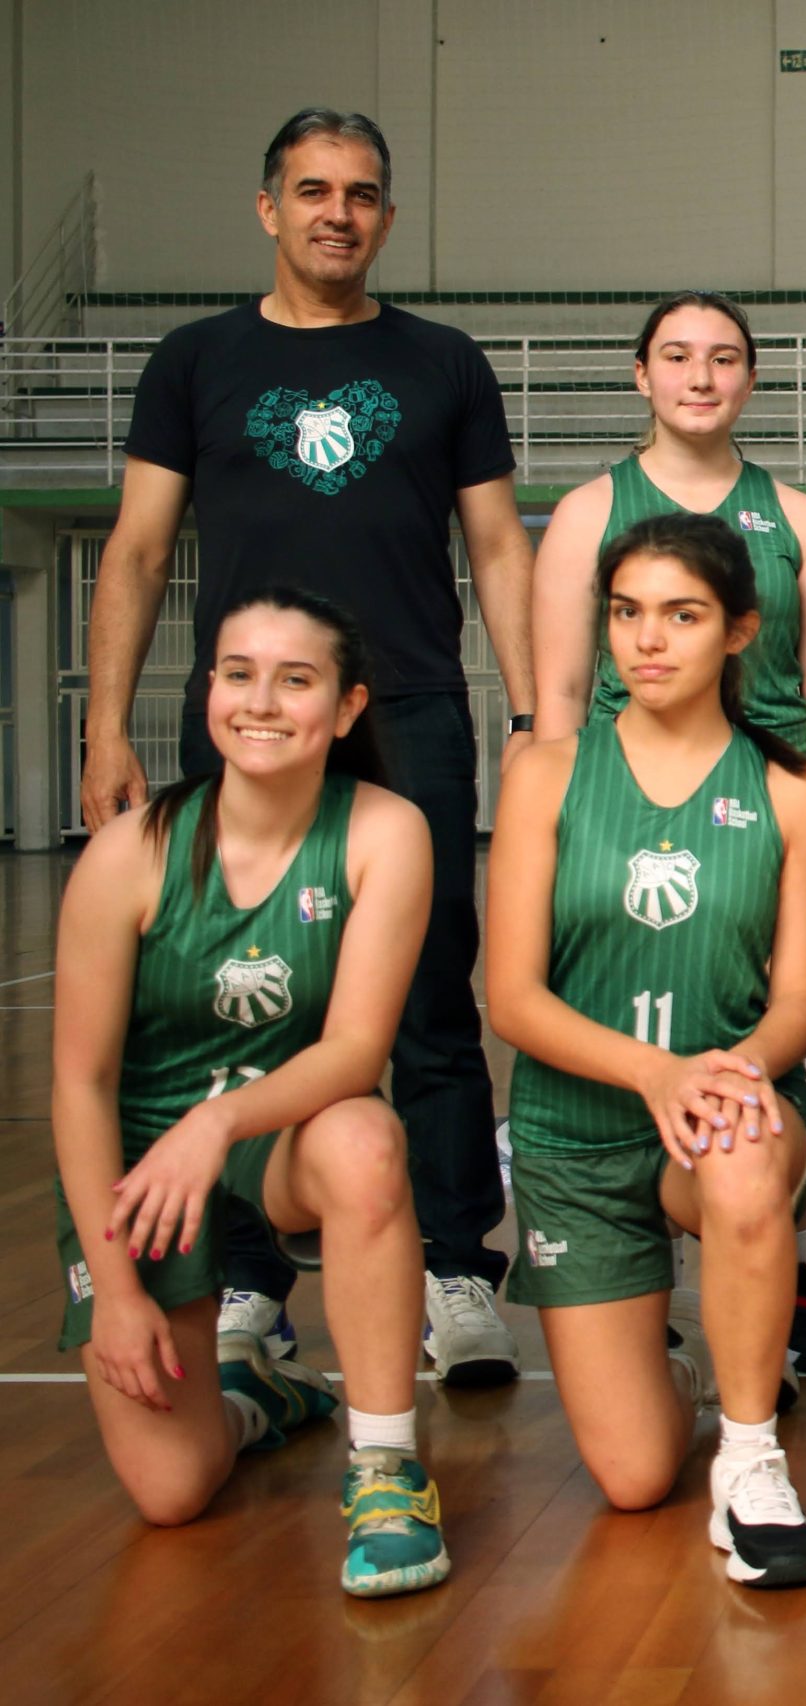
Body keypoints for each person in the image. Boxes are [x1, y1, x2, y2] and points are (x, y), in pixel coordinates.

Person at [80, 108, 536, 1384]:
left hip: (410, 714)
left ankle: (455, 1268)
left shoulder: (443, 363)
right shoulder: (193, 359)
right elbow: (135, 549)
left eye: (364, 194)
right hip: (247, 722)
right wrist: (106, 723)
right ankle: (245, 1282)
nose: (339, 212)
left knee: (434, 1001)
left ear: (387, 217)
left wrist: (531, 712)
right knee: (229, 1003)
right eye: (313, 190)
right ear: (269, 208)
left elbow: (498, 547)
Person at [53, 588, 453, 1597]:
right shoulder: (128, 852)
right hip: (141, 1168)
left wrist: (218, 1118)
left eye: (296, 678)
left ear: (350, 705)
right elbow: (81, 1080)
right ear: (207, 691)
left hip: (276, 1132)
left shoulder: (384, 829)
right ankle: (255, 1397)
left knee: (365, 1140)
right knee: (173, 1489)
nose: (261, 700)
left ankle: (385, 1464)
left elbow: (359, 1050)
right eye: (238, 672)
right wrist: (114, 1289)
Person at [488, 512, 806, 1588]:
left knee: (737, 1159)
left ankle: (750, 1456)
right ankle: (688, 1365)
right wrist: (653, 1071)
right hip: (579, 1133)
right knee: (635, 1474)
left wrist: (721, 1072)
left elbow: (797, 1012)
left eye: (680, 615)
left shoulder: (791, 788)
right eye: (627, 613)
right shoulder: (546, 771)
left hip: (724, 1109)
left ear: (738, 631)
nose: (647, 640)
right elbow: (510, 994)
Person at [529, 290, 806, 1378]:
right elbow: (563, 688)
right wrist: (581, 819)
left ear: (750, 380)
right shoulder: (589, 511)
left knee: (765, 1035)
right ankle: (640, 1293)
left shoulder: (798, 517)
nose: (701, 376)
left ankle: (780, 1274)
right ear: (642, 376)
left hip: (765, 813)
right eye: (677, 356)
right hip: (636, 800)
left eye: (724, 358)